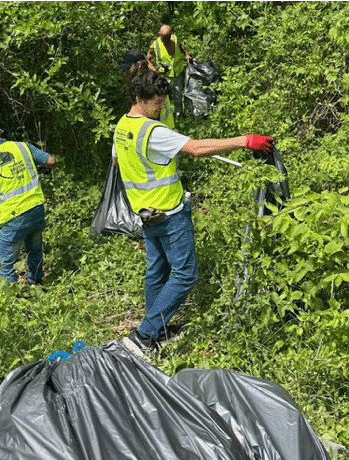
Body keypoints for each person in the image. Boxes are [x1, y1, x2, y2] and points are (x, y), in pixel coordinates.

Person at [114, 68, 273, 356]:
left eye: (163, 100)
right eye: (156, 102)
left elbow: (118, 162)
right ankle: (145, 335)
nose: (161, 106)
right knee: (186, 274)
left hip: (146, 213)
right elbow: (197, 149)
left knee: (157, 270)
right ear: (139, 99)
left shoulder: (122, 127)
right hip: (169, 213)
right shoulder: (152, 132)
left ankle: (156, 331)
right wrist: (244, 140)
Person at [0, 122, 56, 285]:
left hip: (12, 218)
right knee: (35, 251)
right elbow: (50, 160)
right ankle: (36, 285)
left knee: (4, 265)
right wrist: (38, 167)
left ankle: (9, 300)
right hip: (36, 210)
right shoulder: (22, 147)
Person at [118, 49, 175, 129]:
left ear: (138, 65)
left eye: (128, 69)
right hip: (163, 127)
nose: (126, 72)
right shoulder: (152, 79)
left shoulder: (147, 85)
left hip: (158, 130)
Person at [146, 25, 191, 119]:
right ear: (159, 35)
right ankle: (163, 117)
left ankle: (179, 116)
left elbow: (181, 47)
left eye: (167, 37)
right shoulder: (155, 45)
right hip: (162, 76)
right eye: (164, 38)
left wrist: (186, 54)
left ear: (170, 35)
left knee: (178, 96)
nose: (166, 40)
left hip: (176, 74)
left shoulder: (175, 40)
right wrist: (154, 70)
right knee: (162, 98)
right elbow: (147, 60)